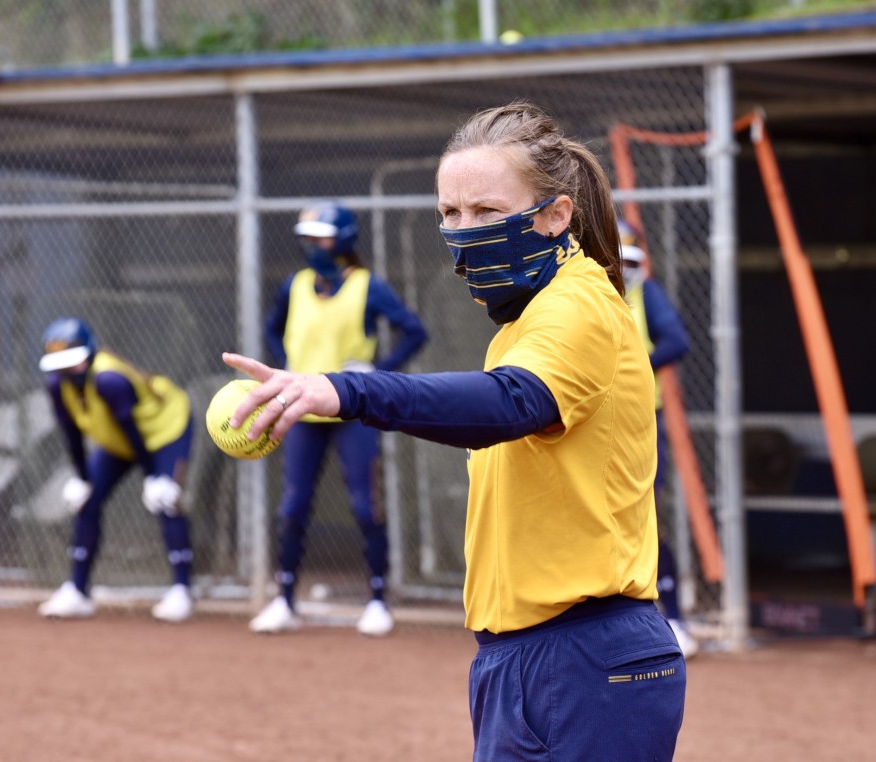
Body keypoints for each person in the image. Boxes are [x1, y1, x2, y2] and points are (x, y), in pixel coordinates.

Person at [223, 101, 686, 760]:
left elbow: (512, 403)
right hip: (520, 658)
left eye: (487, 211)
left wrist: (348, 389)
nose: (465, 232)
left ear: (556, 215)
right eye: (451, 213)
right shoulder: (523, 324)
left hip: (587, 655)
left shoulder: (580, 302)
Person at [248, 201, 428, 637]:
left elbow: (414, 331)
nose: (312, 246)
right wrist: (287, 362)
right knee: (293, 507)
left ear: (343, 240)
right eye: (307, 239)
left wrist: (378, 373)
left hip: (352, 409)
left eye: (321, 238)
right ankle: (284, 599)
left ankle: (378, 601)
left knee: (366, 507)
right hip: (302, 408)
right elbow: (272, 328)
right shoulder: (295, 285)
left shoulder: (367, 286)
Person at [36, 317, 196, 623]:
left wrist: (154, 477)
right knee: (88, 501)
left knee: (166, 500)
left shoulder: (109, 380)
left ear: (89, 353)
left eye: (73, 362)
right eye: (60, 365)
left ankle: (182, 590)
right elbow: (71, 434)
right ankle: (78, 591)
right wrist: (83, 478)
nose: (68, 371)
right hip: (119, 440)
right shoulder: (57, 386)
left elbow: (135, 433)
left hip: (164, 431)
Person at [619, 218, 698, 659]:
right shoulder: (580, 295)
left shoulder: (643, 293)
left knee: (646, 518)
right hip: (591, 426)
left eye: (631, 261)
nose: (623, 270)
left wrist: (634, 364)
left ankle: (674, 619)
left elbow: (677, 341)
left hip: (640, 422)